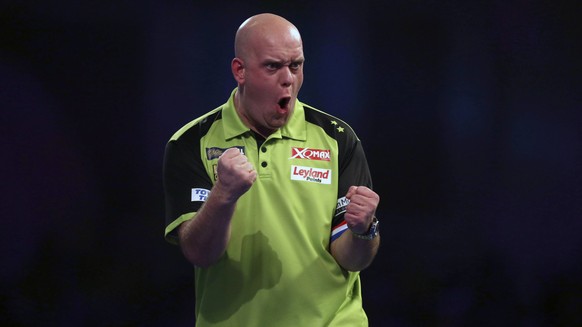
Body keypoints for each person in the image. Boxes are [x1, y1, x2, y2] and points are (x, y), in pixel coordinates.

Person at [163, 13, 380, 326]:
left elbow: (351, 257)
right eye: (273, 66)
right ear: (240, 71)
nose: (288, 78)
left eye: (296, 65)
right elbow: (200, 253)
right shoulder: (190, 143)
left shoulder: (338, 138)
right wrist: (223, 194)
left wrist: (364, 231)